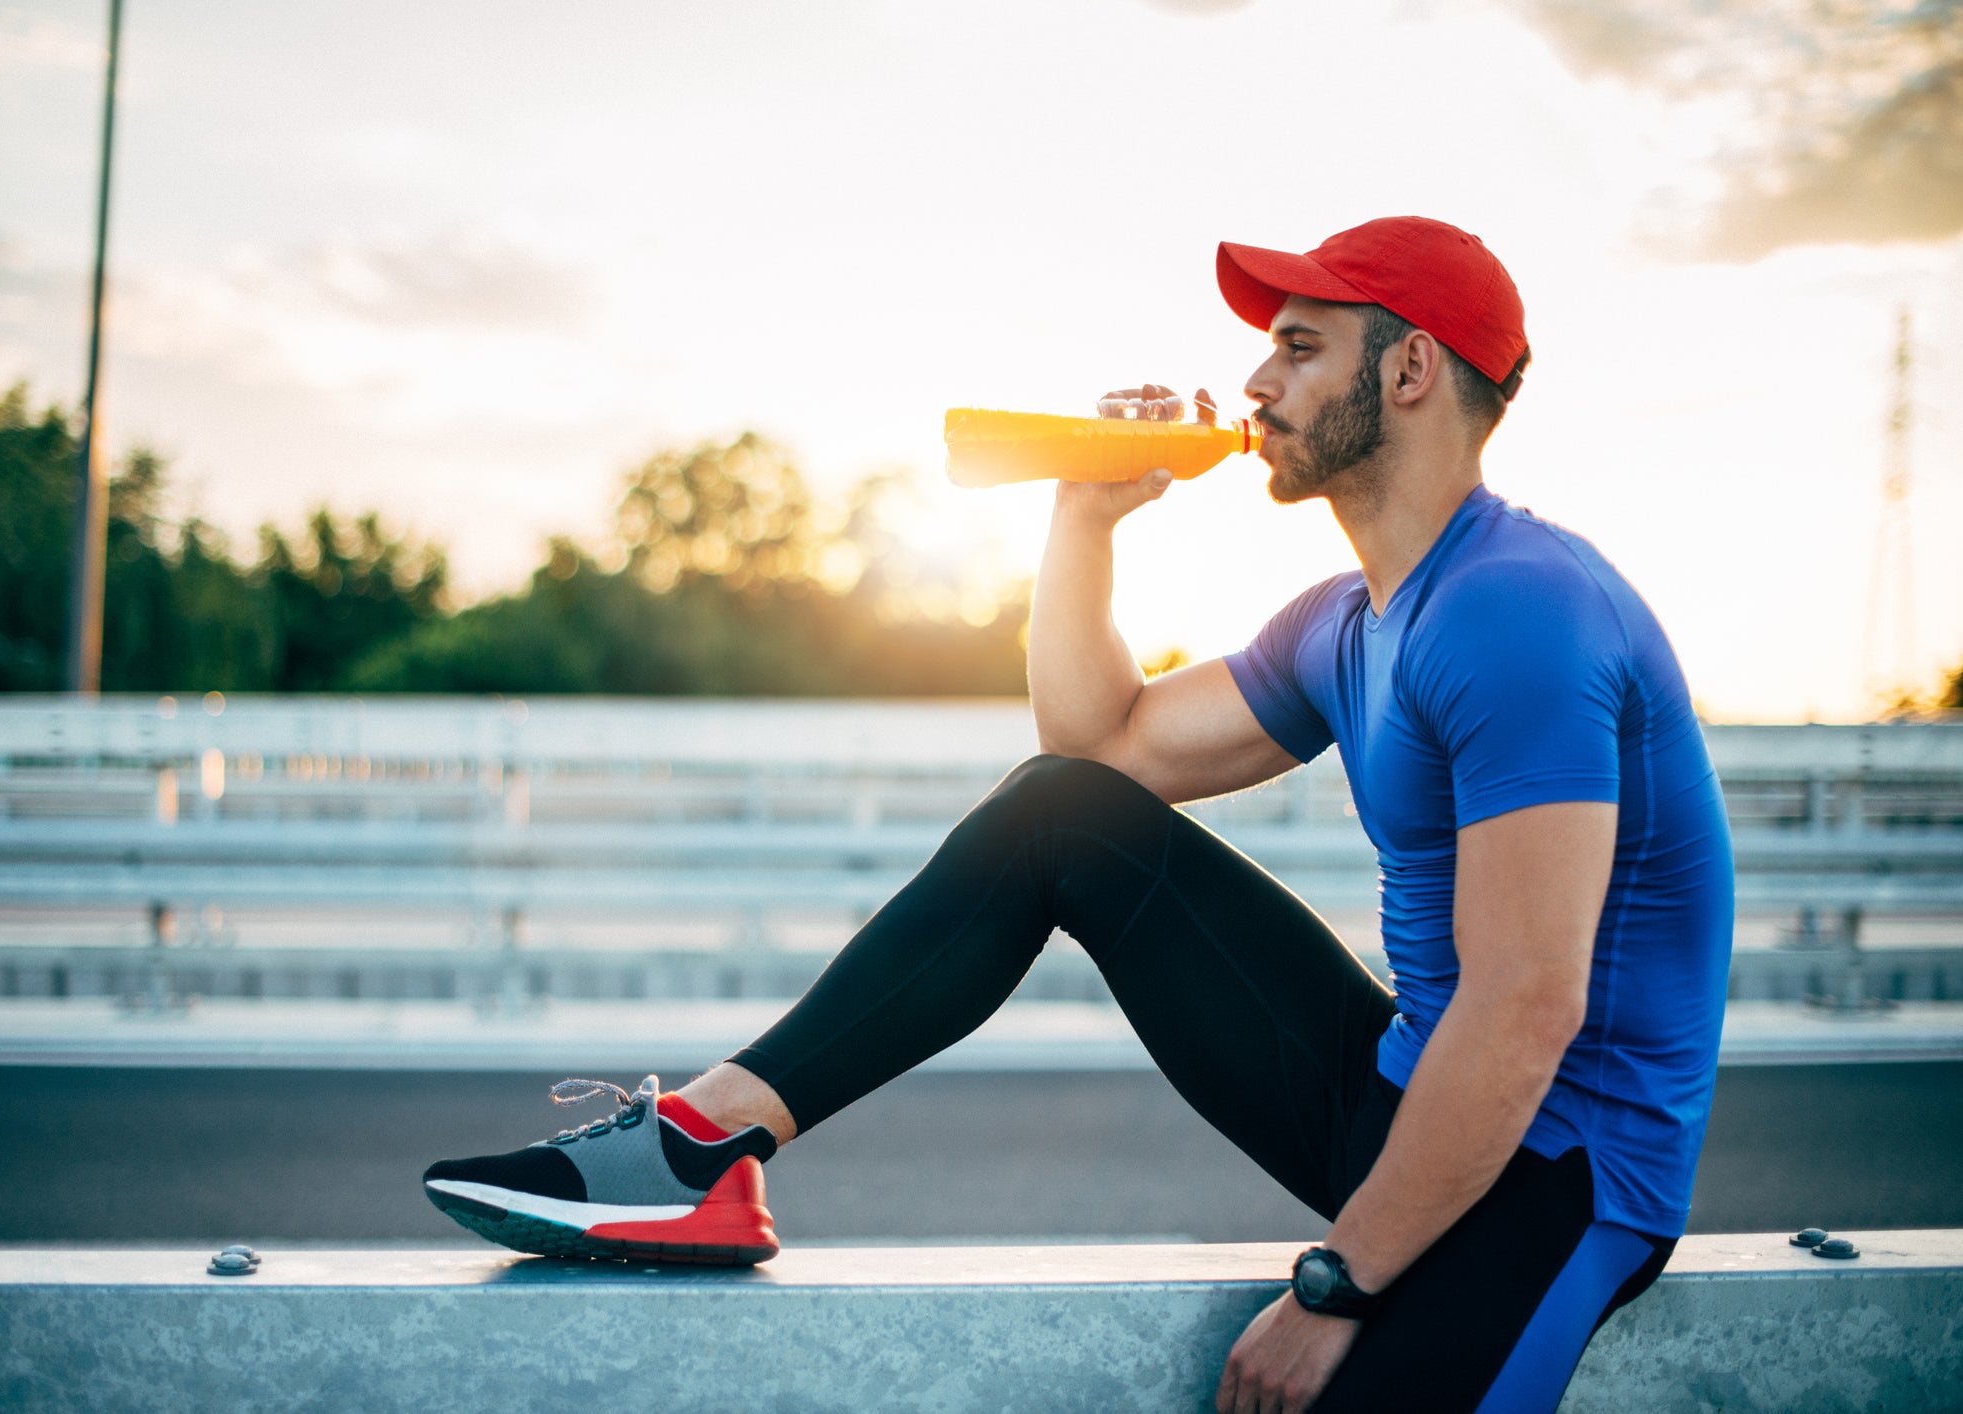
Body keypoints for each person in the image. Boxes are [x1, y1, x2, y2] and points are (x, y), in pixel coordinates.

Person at [421, 215, 1734, 1413]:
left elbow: (1524, 1007)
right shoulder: (1352, 622)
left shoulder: (1519, 607)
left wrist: (1338, 1281)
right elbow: (1096, 751)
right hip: (1406, 1097)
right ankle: (699, 1146)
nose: (1258, 385)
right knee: (1059, 817)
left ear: (1408, 373)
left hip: (1557, 1174)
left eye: (1295, 348)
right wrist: (1085, 521)